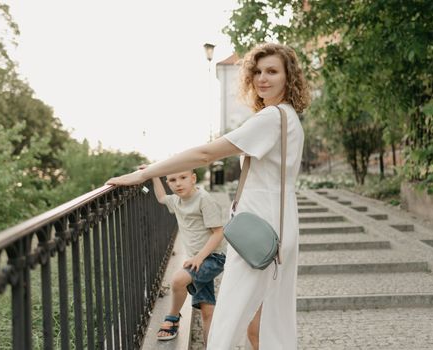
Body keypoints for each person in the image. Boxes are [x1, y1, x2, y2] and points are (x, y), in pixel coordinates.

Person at [107, 42, 309, 349]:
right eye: (257, 71)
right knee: (272, 322)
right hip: (279, 225)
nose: (262, 78)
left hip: (261, 228)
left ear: (288, 77)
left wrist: (145, 173)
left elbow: (205, 154)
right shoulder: (288, 116)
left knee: (229, 319)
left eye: (272, 71)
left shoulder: (271, 118)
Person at [143, 167, 226, 344]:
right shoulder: (176, 201)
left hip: (212, 257)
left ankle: (172, 318)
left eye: (183, 177)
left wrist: (199, 257)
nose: (178, 183)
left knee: (178, 280)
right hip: (198, 259)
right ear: (168, 183)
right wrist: (154, 175)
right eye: (172, 180)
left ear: (193, 178)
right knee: (207, 310)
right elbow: (160, 198)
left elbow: (218, 233)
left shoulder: (204, 199)